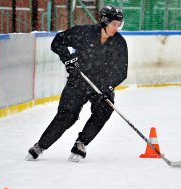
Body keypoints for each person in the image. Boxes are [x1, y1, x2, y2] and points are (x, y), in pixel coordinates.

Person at [25, 5, 128, 162]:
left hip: (101, 86)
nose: (116, 28)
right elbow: (57, 42)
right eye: (114, 24)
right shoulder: (84, 33)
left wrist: (108, 86)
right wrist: (68, 59)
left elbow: (121, 70)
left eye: (118, 24)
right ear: (104, 21)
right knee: (67, 116)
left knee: (105, 109)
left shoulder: (119, 43)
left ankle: (81, 143)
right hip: (78, 81)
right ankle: (40, 146)